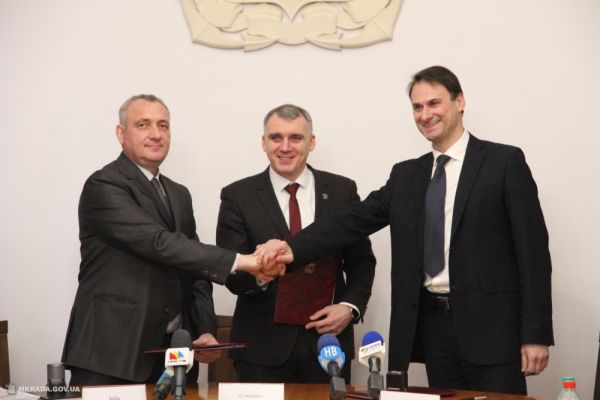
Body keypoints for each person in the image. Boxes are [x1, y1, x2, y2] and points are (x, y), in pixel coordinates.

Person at [256, 67, 553, 394]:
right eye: (417, 107)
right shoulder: (406, 175)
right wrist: (291, 248)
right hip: (433, 329)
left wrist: (536, 334)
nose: (425, 115)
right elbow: (352, 220)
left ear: (460, 102)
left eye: (434, 103)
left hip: (494, 331)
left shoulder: (503, 162)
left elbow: (533, 254)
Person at [61, 94, 281, 385]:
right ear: (121, 133)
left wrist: (205, 328)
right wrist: (243, 261)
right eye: (143, 124)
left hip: (173, 353)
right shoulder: (104, 184)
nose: (156, 134)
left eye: (163, 125)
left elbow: (194, 269)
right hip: (111, 351)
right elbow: (159, 243)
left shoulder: (178, 194)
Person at [216, 104, 376, 382]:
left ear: (311, 142)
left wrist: (349, 308)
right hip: (261, 349)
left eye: (296, 138)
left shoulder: (342, 191)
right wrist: (261, 274)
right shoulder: (237, 196)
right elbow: (231, 272)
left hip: (329, 345)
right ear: (263, 142)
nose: (285, 147)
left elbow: (361, 260)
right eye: (276, 137)